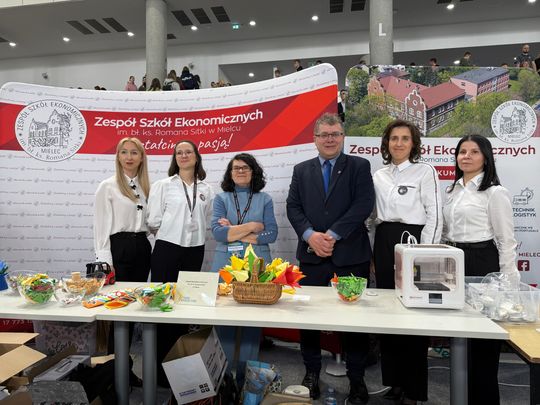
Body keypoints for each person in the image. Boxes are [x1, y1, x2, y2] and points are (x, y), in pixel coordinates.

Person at [286, 112, 374, 404]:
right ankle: (311, 373)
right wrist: (310, 235)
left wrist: (332, 235)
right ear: (315, 139)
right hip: (312, 256)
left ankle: (357, 379)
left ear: (343, 137)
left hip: (351, 256)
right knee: (308, 319)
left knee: (354, 322)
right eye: (324, 135)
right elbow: (293, 207)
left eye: (335, 134)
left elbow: (363, 204)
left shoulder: (359, 166)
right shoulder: (301, 170)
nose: (329, 139)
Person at [442, 134, 518, 405]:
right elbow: (445, 232)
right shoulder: (451, 191)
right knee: (460, 339)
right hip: (453, 263)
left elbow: (506, 241)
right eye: (462, 151)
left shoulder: (495, 193)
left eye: (474, 152)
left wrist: (508, 284)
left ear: (486, 158)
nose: (466, 156)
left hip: (482, 262)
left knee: (483, 343)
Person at [371, 120, 442, 405]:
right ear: (386, 143)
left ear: (414, 144)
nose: (398, 143)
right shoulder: (378, 175)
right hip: (384, 239)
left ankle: (414, 389)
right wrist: (373, 254)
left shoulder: (425, 171)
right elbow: (372, 217)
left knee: (413, 313)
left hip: (413, 240)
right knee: (388, 312)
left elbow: (434, 214)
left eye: (405, 138)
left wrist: (426, 253)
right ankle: (394, 382)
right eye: (394, 138)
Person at [147, 140, 214, 386]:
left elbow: (207, 218)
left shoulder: (207, 189)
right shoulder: (163, 185)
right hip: (167, 248)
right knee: (162, 306)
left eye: (188, 152)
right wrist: (170, 233)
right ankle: (158, 370)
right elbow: (152, 220)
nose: (184, 155)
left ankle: (178, 368)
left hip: (194, 250)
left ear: (196, 156)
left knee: (184, 307)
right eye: (179, 153)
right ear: (175, 158)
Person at [210, 153, 278, 387]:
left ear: (253, 172)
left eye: (245, 167)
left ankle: (246, 380)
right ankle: (224, 381)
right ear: (230, 173)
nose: (240, 171)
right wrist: (252, 226)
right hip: (225, 263)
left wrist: (234, 230)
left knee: (252, 321)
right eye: (236, 168)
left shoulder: (265, 199)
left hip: (257, 264)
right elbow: (219, 234)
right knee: (223, 319)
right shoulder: (221, 199)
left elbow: (272, 234)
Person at [93, 137, 151, 387]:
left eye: (134, 152)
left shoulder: (147, 187)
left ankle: (125, 370)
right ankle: (115, 373)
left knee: (132, 310)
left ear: (141, 157)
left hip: (142, 248)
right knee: (119, 312)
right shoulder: (108, 186)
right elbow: (100, 227)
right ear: (117, 156)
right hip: (119, 248)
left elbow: (152, 223)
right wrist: (105, 263)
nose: (129, 157)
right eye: (124, 152)